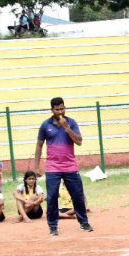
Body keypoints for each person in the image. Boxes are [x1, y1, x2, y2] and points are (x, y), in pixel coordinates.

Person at [34, 97, 92, 236]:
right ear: (52, 110)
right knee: (53, 196)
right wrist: (37, 166)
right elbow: (40, 145)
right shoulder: (45, 125)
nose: (60, 111)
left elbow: (79, 142)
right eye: (57, 109)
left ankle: (83, 222)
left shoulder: (71, 122)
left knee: (77, 195)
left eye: (62, 108)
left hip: (70, 166)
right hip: (53, 167)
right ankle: (53, 226)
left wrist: (67, 127)